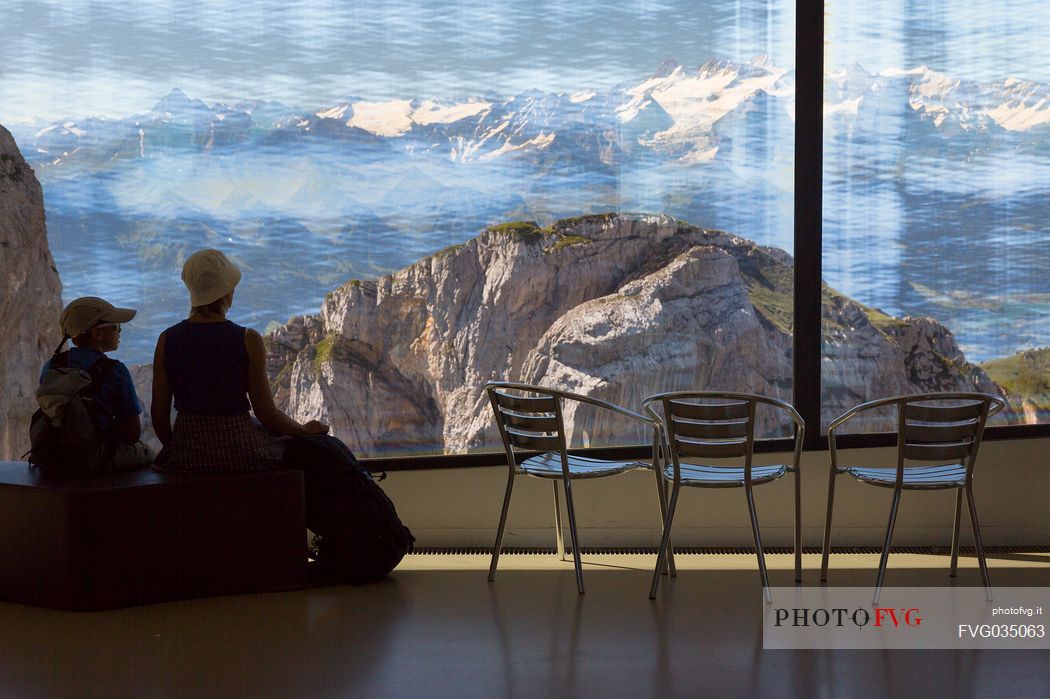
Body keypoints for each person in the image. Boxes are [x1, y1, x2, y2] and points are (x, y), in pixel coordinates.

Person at [151, 248, 328, 472]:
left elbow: (159, 417)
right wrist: (304, 430)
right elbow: (267, 415)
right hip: (240, 450)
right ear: (227, 293)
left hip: (187, 453)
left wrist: (180, 449)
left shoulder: (167, 340)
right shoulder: (248, 339)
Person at [39, 296, 154, 471]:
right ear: (97, 333)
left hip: (54, 455)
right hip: (93, 458)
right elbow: (133, 434)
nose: (119, 331)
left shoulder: (51, 366)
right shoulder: (116, 370)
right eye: (116, 326)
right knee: (147, 452)